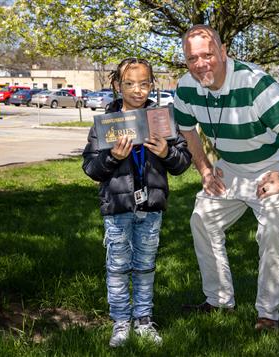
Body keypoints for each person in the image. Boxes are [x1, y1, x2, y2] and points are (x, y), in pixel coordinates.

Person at [173, 25, 279, 332]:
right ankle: (219, 299)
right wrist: (206, 170)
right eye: (193, 58)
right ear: (186, 61)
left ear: (223, 52)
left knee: (272, 233)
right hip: (229, 167)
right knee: (202, 220)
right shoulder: (185, 88)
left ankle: (268, 314)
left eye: (208, 54)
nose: (201, 63)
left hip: (271, 167)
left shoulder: (253, 83)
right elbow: (187, 131)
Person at [82, 57, 192, 347]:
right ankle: (120, 321)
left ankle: (143, 319)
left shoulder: (162, 121)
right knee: (118, 266)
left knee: (145, 265)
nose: (138, 90)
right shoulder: (106, 125)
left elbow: (182, 163)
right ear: (118, 85)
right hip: (117, 209)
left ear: (152, 85)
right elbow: (91, 168)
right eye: (130, 83)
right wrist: (112, 157)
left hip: (151, 206)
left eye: (144, 84)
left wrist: (167, 151)